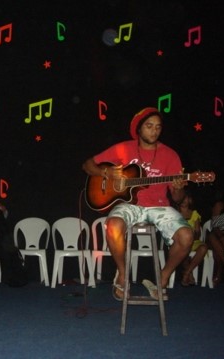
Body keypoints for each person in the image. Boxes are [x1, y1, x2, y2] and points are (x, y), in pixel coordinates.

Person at [82, 107, 193, 300]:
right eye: (149, 126)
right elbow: (88, 165)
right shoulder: (123, 148)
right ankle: (123, 275)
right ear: (139, 129)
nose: (154, 131)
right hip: (129, 205)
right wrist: (106, 173)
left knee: (187, 235)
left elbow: (176, 198)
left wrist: (178, 187)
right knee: (113, 225)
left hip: (159, 206)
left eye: (158, 127)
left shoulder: (170, 155)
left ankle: (162, 279)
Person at [176, 192, 208, 286]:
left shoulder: (194, 213)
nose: (183, 201)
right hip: (179, 242)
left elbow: (198, 232)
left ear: (189, 200)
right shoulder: (175, 213)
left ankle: (187, 272)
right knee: (184, 248)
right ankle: (189, 275)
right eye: (181, 199)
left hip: (193, 240)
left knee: (204, 248)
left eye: (185, 199)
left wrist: (193, 234)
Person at [207, 191, 224, 285]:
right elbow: (214, 225)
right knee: (212, 236)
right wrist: (222, 236)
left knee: (218, 247)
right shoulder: (220, 206)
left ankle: (220, 272)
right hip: (219, 233)